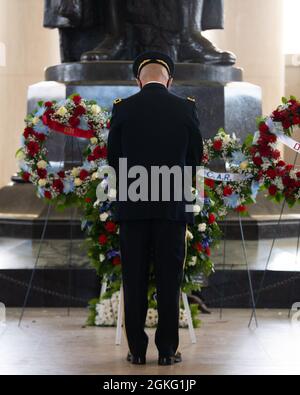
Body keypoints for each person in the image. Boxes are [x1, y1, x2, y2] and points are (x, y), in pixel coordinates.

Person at [107, 51, 203, 366]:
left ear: (139, 79)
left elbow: (113, 158)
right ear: (169, 80)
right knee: (169, 278)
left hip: (133, 205)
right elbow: (195, 157)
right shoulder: (185, 108)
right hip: (172, 206)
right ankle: (166, 350)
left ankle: (136, 350)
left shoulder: (123, 109)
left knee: (133, 279)